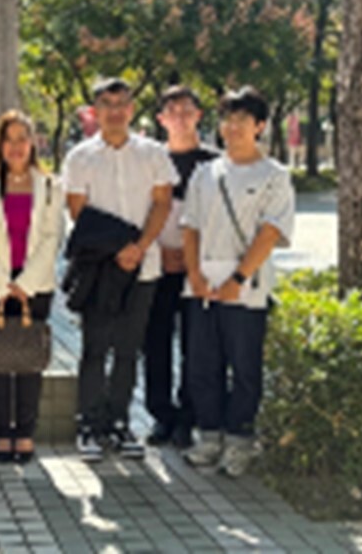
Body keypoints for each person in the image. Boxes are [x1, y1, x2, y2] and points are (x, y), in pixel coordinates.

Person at [62, 78, 177, 462]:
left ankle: (120, 422)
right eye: (106, 103)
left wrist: (140, 247)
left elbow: (162, 203)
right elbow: (77, 210)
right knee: (95, 349)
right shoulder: (80, 156)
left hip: (143, 268)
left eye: (121, 103)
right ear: (94, 111)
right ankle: (89, 425)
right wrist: (116, 250)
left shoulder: (154, 153)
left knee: (128, 350)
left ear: (131, 108)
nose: (114, 110)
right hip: (100, 269)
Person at [181, 87, 294, 477]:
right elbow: (190, 227)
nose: (232, 127)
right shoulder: (205, 173)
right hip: (202, 285)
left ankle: (240, 442)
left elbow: (270, 232)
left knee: (244, 367)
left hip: (248, 287)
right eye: (227, 119)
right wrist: (194, 275)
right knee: (202, 364)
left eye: (242, 120)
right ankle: (209, 436)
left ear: (260, 126)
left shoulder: (274, 176)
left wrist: (239, 278)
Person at [0, 110, 64, 463]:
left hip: (36, 285)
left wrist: (25, 283)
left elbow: (52, 236)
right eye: (9, 139)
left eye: (22, 139)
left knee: (29, 359)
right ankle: (1, 431)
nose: (16, 146)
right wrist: (0, 284)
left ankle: (24, 431)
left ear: (34, 143)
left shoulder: (50, 186)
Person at [144, 86, 218, 449]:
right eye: (171, 110)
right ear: (161, 120)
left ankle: (188, 417)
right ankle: (161, 415)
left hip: (199, 271)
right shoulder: (150, 161)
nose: (179, 116)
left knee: (196, 345)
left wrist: (194, 259)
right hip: (157, 267)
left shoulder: (215, 163)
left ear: (198, 115)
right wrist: (157, 250)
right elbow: (140, 212)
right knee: (155, 343)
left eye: (186, 110)